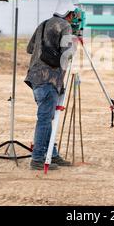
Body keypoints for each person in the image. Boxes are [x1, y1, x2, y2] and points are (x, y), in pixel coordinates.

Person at [25, 10, 75, 171]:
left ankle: (51, 154)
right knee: (45, 119)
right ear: (69, 15)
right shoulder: (65, 26)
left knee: (47, 117)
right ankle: (38, 158)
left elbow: (30, 48)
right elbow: (66, 54)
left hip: (35, 77)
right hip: (50, 79)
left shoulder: (43, 24)